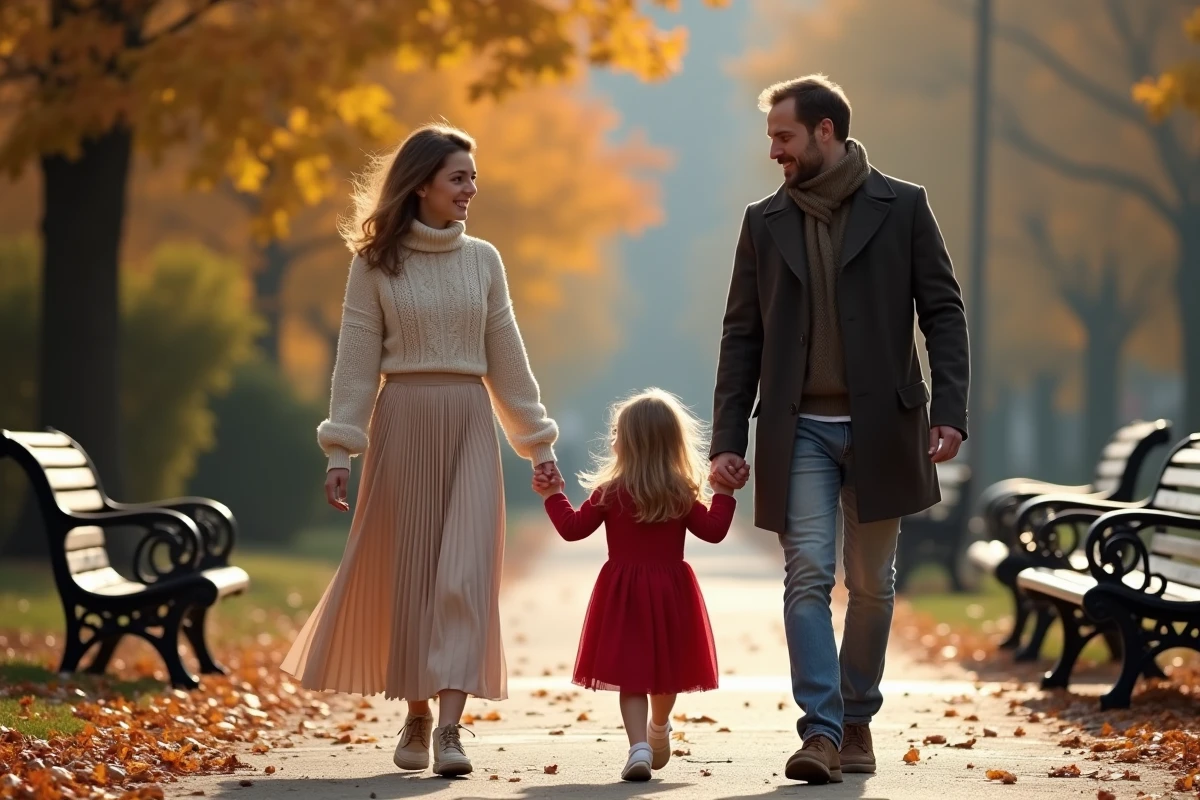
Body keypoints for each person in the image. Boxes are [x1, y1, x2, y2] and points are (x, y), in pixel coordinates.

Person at [709, 74, 970, 784]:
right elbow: (741, 336)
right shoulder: (764, 222)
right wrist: (727, 439)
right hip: (802, 433)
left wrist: (949, 409)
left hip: (886, 428)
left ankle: (858, 718)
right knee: (808, 577)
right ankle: (820, 731)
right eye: (771, 139)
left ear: (825, 132)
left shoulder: (904, 207)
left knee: (873, 583)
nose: (775, 152)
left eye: (784, 137)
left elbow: (943, 312)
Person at [280, 123, 561, 778]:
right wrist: (340, 450)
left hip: (468, 424)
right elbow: (353, 366)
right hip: (402, 421)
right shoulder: (375, 263)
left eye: (473, 177)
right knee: (412, 577)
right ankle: (416, 712)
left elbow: (507, 360)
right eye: (459, 177)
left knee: (465, 574)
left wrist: (536, 442)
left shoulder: (484, 260)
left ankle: (454, 730)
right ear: (423, 183)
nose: (471, 189)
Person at [532, 389, 737, 782]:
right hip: (671, 592)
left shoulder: (610, 491)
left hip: (623, 594)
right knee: (667, 671)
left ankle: (639, 745)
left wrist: (553, 495)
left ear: (625, 441)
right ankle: (657, 729)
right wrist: (724, 493)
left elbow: (573, 529)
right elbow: (714, 532)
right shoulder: (680, 491)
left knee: (632, 675)